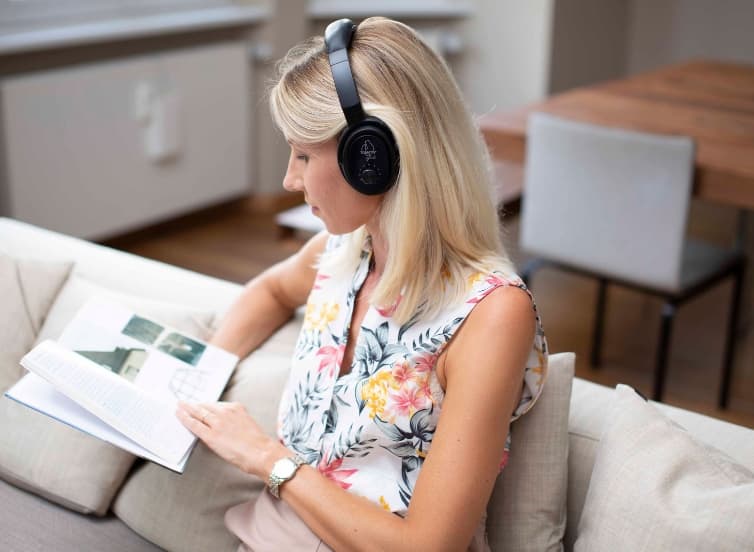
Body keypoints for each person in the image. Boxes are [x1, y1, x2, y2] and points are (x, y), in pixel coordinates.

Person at [176, 16, 547, 551]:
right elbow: (271, 292)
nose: (289, 179)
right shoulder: (341, 255)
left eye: (303, 154)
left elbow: (428, 546)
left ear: (371, 157)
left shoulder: (492, 314)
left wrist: (265, 457)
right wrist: (200, 377)